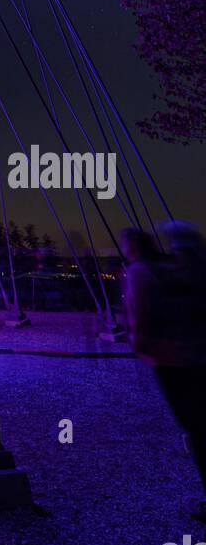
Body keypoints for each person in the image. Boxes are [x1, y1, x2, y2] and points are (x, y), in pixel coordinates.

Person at [122, 224, 206, 522]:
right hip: (192, 354)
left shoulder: (141, 274)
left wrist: (140, 343)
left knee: (195, 425)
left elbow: (141, 318)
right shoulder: (178, 270)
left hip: (172, 358)